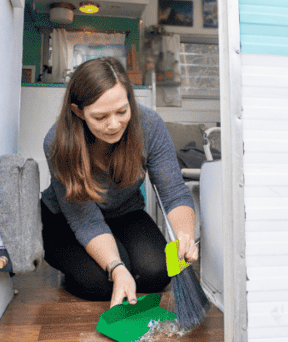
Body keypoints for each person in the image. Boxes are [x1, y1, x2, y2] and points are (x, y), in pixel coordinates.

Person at [40, 56, 198, 308]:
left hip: (124, 212)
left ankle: (117, 258)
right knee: (102, 283)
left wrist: (185, 235)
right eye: (100, 117)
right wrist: (116, 267)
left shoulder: (150, 126)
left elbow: (174, 194)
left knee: (156, 274)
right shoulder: (57, 143)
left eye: (122, 112)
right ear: (78, 112)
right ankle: (79, 269)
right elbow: (86, 221)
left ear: (130, 102)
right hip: (67, 220)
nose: (114, 125)